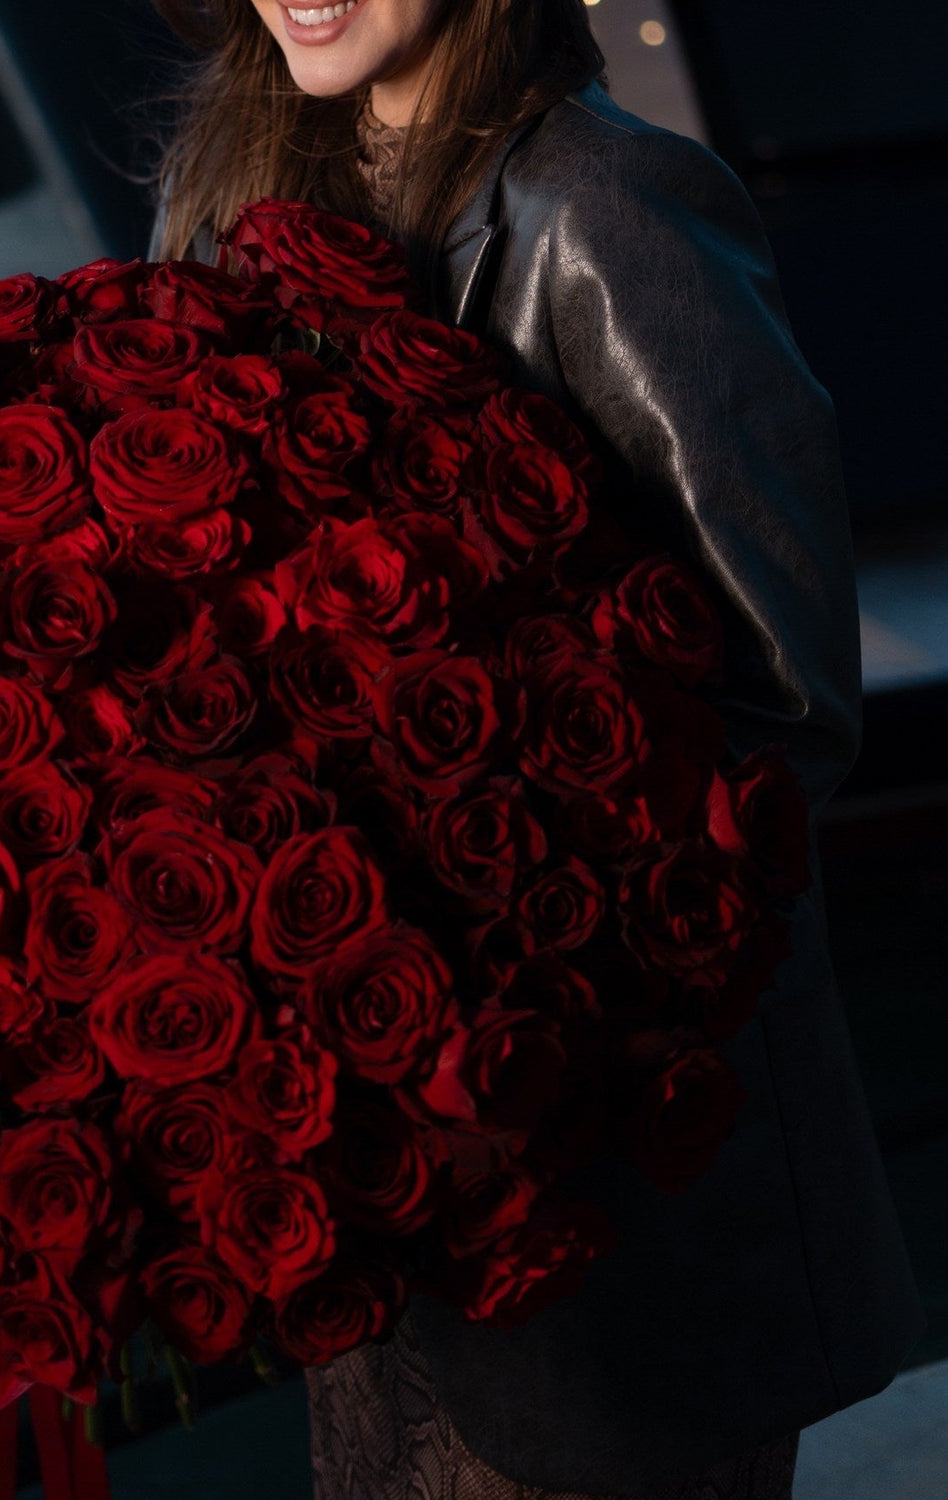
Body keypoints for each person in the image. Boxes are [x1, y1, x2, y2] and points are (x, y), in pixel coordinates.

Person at [142, 2, 926, 1497]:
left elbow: (783, 698)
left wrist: (501, 951)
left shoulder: (608, 206)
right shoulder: (232, 191)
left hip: (625, 1196)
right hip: (382, 1172)